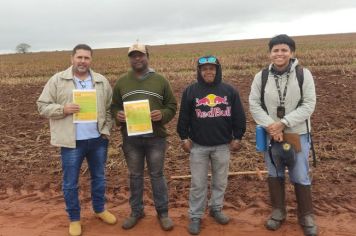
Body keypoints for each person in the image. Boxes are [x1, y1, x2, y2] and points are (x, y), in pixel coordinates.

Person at [37, 44, 116, 236]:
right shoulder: (58, 80)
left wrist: (106, 131)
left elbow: (109, 109)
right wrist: (62, 109)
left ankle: (99, 209)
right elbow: (42, 106)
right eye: (79, 57)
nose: (82, 61)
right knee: (70, 183)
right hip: (72, 142)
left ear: (91, 60)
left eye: (86, 58)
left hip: (97, 140)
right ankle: (74, 218)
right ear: (72, 58)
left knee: (99, 177)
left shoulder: (101, 81)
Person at [249, 34, 318, 236]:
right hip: (271, 135)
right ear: (270, 53)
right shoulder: (260, 77)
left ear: (292, 53)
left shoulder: (304, 74)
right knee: (275, 173)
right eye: (276, 50)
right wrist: (272, 126)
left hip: (298, 134)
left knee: (299, 175)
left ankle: (306, 215)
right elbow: (254, 104)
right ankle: (278, 212)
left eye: (284, 50)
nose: (279, 54)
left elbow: (309, 105)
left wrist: (283, 124)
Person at [177, 55, 246, 235]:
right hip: (198, 146)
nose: (208, 71)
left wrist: (237, 136)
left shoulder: (229, 90)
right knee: (198, 183)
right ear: (199, 71)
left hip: (223, 145)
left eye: (212, 68)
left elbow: (239, 115)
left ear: (217, 70)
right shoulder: (190, 91)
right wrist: (184, 137)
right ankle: (195, 215)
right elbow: (183, 116)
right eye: (205, 69)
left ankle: (216, 208)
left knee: (220, 181)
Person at [111, 43, 177, 231]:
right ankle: (136, 211)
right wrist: (118, 115)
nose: (137, 59)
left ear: (147, 56)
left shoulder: (160, 81)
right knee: (135, 176)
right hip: (131, 139)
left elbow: (171, 105)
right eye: (133, 56)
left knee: (157, 175)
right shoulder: (122, 82)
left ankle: (163, 213)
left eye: (140, 55)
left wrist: (162, 115)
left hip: (156, 138)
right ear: (130, 59)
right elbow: (114, 106)